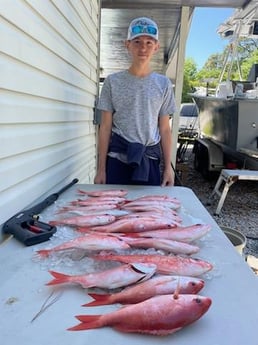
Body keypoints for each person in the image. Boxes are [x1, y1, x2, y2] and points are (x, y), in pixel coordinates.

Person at [94, 17, 176, 186]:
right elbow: (105, 127)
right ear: (127, 45)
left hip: (149, 161)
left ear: (156, 47)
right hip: (117, 161)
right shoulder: (112, 82)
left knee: (147, 211)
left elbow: (165, 129)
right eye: (137, 42)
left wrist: (168, 168)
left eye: (149, 42)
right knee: (114, 211)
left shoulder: (164, 84)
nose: (143, 48)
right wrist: (101, 169)